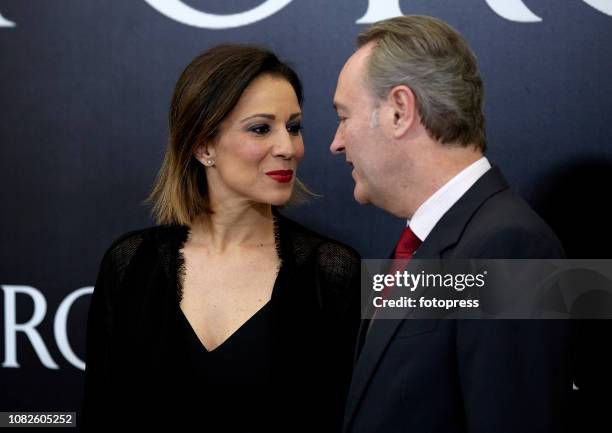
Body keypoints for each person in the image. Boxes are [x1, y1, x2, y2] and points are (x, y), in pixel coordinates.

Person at [82, 44, 361, 432]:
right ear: (203, 145)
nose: (288, 148)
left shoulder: (332, 272)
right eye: (261, 128)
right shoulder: (131, 263)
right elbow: (100, 412)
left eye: (294, 127)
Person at [330, 16, 573, 433]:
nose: (336, 142)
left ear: (399, 111)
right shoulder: (427, 242)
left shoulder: (508, 248)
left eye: (344, 116)